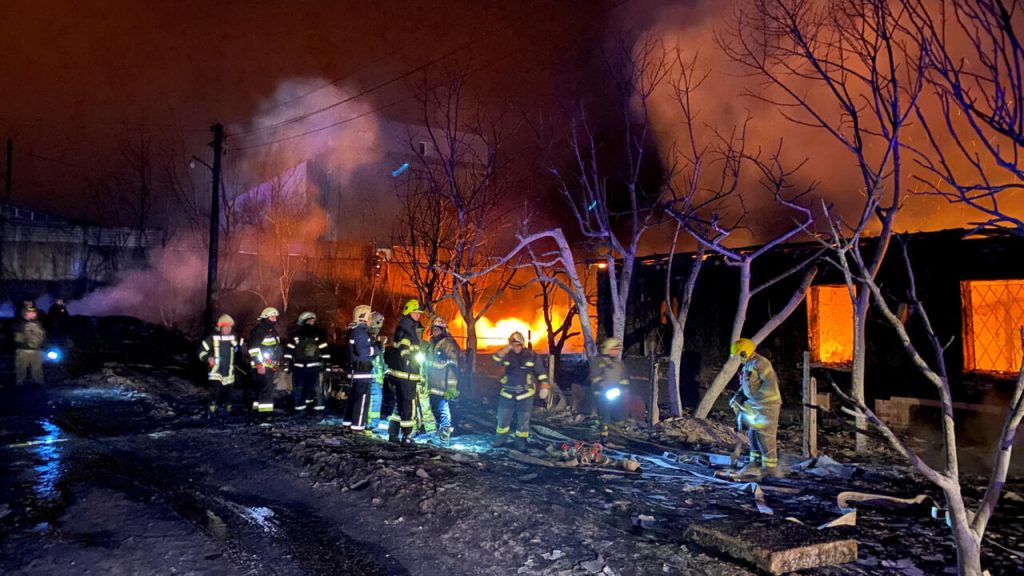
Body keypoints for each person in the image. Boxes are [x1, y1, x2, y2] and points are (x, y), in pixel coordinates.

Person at [728, 338, 783, 478]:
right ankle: (755, 463)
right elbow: (746, 385)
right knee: (753, 434)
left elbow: (770, 383)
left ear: (744, 353)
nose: (738, 358)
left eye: (739, 354)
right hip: (756, 405)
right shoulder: (748, 365)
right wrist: (737, 396)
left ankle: (770, 469)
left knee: (766, 436)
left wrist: (754, 400)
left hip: (768, 405)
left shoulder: (761, 363)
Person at [492, 332, 549, 451]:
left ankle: (520, 444)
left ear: (522, 344)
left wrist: (544, 386)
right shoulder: (507, 354)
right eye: (513, 344)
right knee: (502, 422)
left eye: (517, 344)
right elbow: (495, 359)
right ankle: (499, 441)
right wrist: (507, 348)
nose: (515, 347)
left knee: (523, 424)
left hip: (525, 395)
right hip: (507, 394)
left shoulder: (532, 355)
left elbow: (541, 373)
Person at [384, 299, 426, 445]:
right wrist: (411, 361)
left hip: (399, 374)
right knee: (409, 405)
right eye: (415, 312)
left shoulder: (405, 326)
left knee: (400, 405)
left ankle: (393, 433)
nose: (418, 315)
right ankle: (407, 437)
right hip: (407, 375)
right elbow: (404, 348)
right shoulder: (408, 329)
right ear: (409, 312)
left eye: (419, 313)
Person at [284, 311, 330, 416]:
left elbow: (288, 352)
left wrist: (287, 365)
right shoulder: (319, 334)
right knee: (315, 388)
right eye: (312, 320)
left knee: (299, 389)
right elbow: (325, 351)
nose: (313, 322)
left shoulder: (295, 335)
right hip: (314, 367)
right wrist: (327, 365)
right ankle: (317, 409)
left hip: (299, 367)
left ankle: (300, 410)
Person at [424, 316, 461, 444]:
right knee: (434, 412)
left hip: (442, 386)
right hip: (431, 385)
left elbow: (453, 367)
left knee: (443, 412)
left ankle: (445, 438)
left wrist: (451, 387)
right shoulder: (431, 344)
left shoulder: (448, 345)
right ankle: (437, 436)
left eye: (438, 330)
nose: (435, 332)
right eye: (433, 329)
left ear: (443, 330)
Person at [345, 305, 379, 434]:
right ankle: (358, 428)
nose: (371, 319)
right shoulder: (360, 332)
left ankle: (348, 424)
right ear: (364, 317)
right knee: (362, 401)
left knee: (353, 400)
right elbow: (363, 351)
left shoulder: (355, 331)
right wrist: (377, 348)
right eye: (370, 316)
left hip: (356, 372)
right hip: (362, 372)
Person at [589, 337, 630, 442]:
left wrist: (625, 388)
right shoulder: (598, 361)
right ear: (608, 349)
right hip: (601, 393)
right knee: (604, 415)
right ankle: (603, 436)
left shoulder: (619, 364)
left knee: (619, 414)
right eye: (614, 349)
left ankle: (617, 435)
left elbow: (624, 378)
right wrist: (600, 386)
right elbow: (595, 377)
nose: (616, 351)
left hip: (615, 393)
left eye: (617, 349)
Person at [199, 314, 240, 417]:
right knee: (215, 393)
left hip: (229, 371)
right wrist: (208, 358)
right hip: (215, 371)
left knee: (228, 393)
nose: (227, 329)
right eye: (225, 327)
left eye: (229, 327)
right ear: (220, 327)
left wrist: (239, 350)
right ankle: (212, 411)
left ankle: (227, 411)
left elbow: (238, 351)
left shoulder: (233, 338)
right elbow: (200, 351)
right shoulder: (212, 338)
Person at [247, 307, 284, 419]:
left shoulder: (271, 331)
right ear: (266, 318)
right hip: (262, 365)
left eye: (276, 317)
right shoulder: (259, 331)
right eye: (272, 317)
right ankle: (265, 414)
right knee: (266, 390)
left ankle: (256, 411)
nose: (275, 319)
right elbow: (254, 349)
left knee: (262, 389)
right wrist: (259, 364)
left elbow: (275, 348)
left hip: (269, 364)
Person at [14, 302, 46, 386]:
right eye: (29, 312)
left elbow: (42, 335)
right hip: (23, 350)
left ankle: (39, 384)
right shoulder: (20, 323)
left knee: (37, 369)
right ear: (25, 313)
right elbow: (17, 338)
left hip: (36, 351)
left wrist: (40, 344)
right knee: (21, 369)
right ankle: (20, 385)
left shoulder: (38, 324)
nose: (32, 314)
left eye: (33, 312)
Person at [368, 311, 388, 430]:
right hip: (373, 376)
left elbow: (380, 358)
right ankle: (371, 425)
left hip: (377, 376)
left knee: (375, 400)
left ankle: (372, 424)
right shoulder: (370, 338)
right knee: (374, 400)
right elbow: (373, 356)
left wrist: (384, 367)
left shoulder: (375, 339)